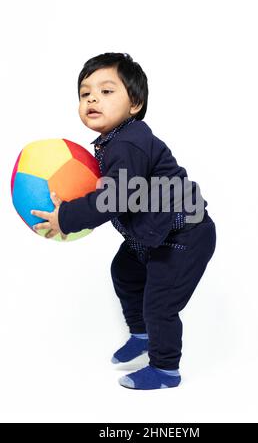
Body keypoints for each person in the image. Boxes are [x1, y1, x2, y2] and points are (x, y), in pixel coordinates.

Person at [31, 52, 217, 390]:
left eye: (106, 91)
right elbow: (107, 190)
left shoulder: (131, 143)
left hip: (184, 233)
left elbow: (115, 198)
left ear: (135, 104)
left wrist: (67, 217)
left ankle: (164, 370)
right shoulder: (112, 144)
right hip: (153, 233)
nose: (92, 99)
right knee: (125, 271)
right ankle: (141, 334)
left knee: (159, 303)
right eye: (85, 93)